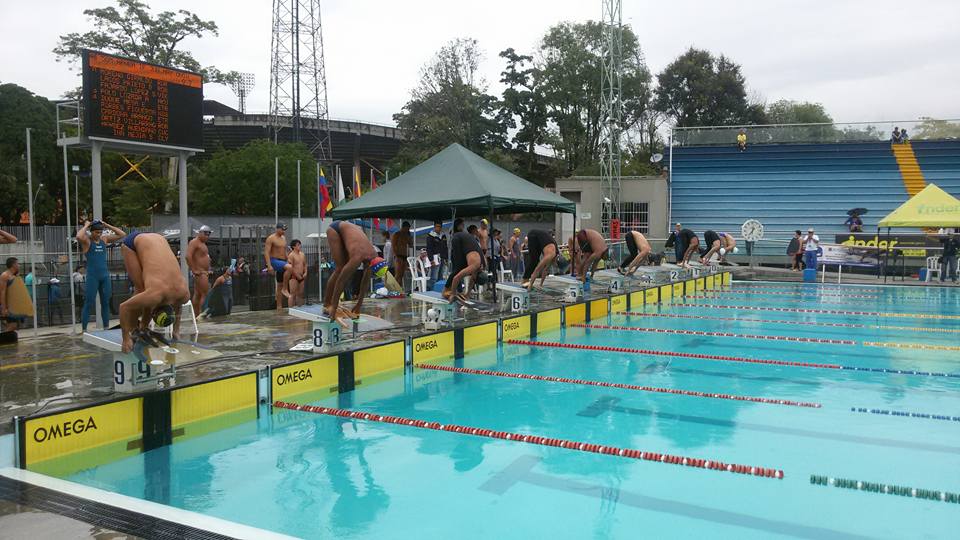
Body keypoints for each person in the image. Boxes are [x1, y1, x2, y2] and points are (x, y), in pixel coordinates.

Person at [118, 232, 189, 353]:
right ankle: (136, 329)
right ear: (154, 312)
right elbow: (123, 307)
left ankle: (143, 328)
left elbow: (178, 307)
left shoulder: (183, 295)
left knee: (146, 295)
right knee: (141, 289)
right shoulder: (155, 296)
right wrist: (126, 339)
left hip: (159, 238)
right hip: (133, 243)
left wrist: (176, 331)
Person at [323, 220, 389, 322]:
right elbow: (341, 282)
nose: (369, 274)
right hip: (335, 229)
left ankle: (332, 304)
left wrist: (359, 305)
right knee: (340, 269)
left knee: (343, 269)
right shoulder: (357, 258)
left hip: (348, 232)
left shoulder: (373, 256)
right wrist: (334, 309)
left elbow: (364, 283)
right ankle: (327, 304)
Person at [77, 220, 126, 332]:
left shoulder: (104, 239)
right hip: (92, 276)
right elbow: (79, 236)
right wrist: (86, 225)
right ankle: (84, 329)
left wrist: (107, 225)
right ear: (91, 232)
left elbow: (122, 234)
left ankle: (106, 328)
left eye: (100, 232)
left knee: (105, 302)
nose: (98, 234)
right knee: (89, 302)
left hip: (104, 276)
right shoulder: (87, 241)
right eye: (96, 232)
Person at [264, 223, 298, 311]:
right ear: (277, 229)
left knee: (279, 285)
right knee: (289, 268)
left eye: (284, 230)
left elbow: (284, 251)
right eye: (282, 229)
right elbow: (266, 252)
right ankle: (285, 289)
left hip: (283, 262)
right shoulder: (271, 238)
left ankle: (279, 306)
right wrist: (269, 266)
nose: (283, 231)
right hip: (274, 260)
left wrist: (288, 259)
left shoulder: (283, 238)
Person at [443, 228, 483, 302]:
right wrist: (453, 294)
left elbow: (473, 280)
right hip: (457, 239)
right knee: (458, 269)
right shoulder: (474, 266)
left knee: (461, 268)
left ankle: (455, 291)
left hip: (467, 241)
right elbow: (456, 278)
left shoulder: (482, 265)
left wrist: (468, 294)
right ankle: (445, 290)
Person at [187, 225, 213, 317]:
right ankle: (202, 314)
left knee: (197, 294)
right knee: (204, 294)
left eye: (209, 234)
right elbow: (188, 256)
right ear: (200, 233)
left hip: (203, 272)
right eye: (206, 234)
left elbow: (204, 258)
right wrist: (194, 269)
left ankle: (197, 315)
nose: (207, 236)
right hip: (200, 272)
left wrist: (208, 268)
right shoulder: (194, 242)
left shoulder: (202, 244)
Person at [0, 258, 24, 332]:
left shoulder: (15, 275)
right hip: (7, 305)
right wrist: (4, 308)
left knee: (15, 325)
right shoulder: (5, 275)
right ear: (13, 265)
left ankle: (7, 338)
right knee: (13, 325)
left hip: (14, 305)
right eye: (17, 263)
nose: (19, 265)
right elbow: (2, 292)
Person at [391, 221, 412, 290]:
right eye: (407, 228)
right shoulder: (396, 234)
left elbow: (411, 244)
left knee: (402, 274)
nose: (408, 230)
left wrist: (409, 236)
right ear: (403, 227)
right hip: (398, 256)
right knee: (398, 274)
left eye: (408, 229)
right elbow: (393, 246)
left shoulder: (407, 235)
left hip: (404, 256)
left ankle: (399, 289)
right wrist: (396, 255)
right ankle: (393, 289)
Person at [287, 239, 308, 306]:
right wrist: (297, 275)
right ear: (294, 246)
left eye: (300, 244)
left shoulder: (302, 254)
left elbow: (305, 264)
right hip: (294, 276)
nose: (300, 246)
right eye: (298, 245)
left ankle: (300, 309)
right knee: (292, 294)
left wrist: (305, 272)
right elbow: (290, 267)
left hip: (301, 275)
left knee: (301, 293)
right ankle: (291, 309)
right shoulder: (291, 255)